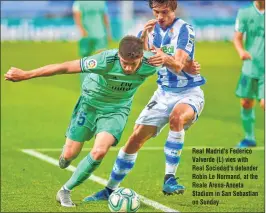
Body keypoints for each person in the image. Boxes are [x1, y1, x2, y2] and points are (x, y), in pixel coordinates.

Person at [4, 35, 199, 207]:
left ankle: (65, 190)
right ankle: (68, 155)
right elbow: (63, 67)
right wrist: (25, 74)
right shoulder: (105, 60)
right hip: (89, 105)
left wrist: (189, 66)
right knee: (69, 155)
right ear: (119, 56)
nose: (129, 68)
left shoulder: (151, 62)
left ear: (141, 57)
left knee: (99, 151)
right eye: (124, 63)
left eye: (133, 64)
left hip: (116, 111)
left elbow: (177, 64)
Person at [84, 0, 206, 202]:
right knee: (135, 139)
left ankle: (169, 178)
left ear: (173, 9)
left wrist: (164, 57)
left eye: (164, 12)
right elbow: (141, 59)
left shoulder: (184, 29)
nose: (159, 16)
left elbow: (177, 65)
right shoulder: (151, 29)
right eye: (156, 11)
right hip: (163, 92)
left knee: (177, 118)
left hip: (188, 92)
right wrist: (143, 38)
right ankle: (109, 190)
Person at [233, 0, 265, 148]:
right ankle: (249, 138)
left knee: (264, 103)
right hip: (250, 66)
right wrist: (241, 52)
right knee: (246, 102)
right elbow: (237, 37)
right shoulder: (244, 13)